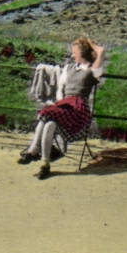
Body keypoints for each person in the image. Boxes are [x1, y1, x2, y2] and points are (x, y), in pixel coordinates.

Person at [18, 36, 108, 179]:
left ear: (83, 53)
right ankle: (44, 164)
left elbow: (101, 51)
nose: (72, 55)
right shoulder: (69, 68)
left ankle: (34, 150)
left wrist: (88, 42)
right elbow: (61, 88)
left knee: (47, 115)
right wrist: (60, 103)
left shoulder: (93, 70)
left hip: (78, 109)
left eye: (75, 52)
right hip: (64, 105)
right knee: (49, 123)